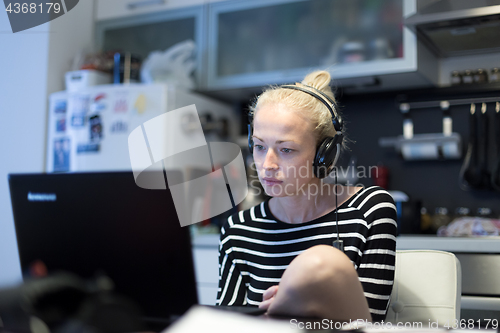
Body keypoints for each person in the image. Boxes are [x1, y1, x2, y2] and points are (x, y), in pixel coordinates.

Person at [216, 70, 397, 322]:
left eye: (286, 149)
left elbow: (369, 323)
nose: (267, 164)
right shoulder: (238, 229)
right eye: (259, 146)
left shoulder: (370, 211)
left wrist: (288, 307)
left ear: (325, 155)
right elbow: (224, 325)